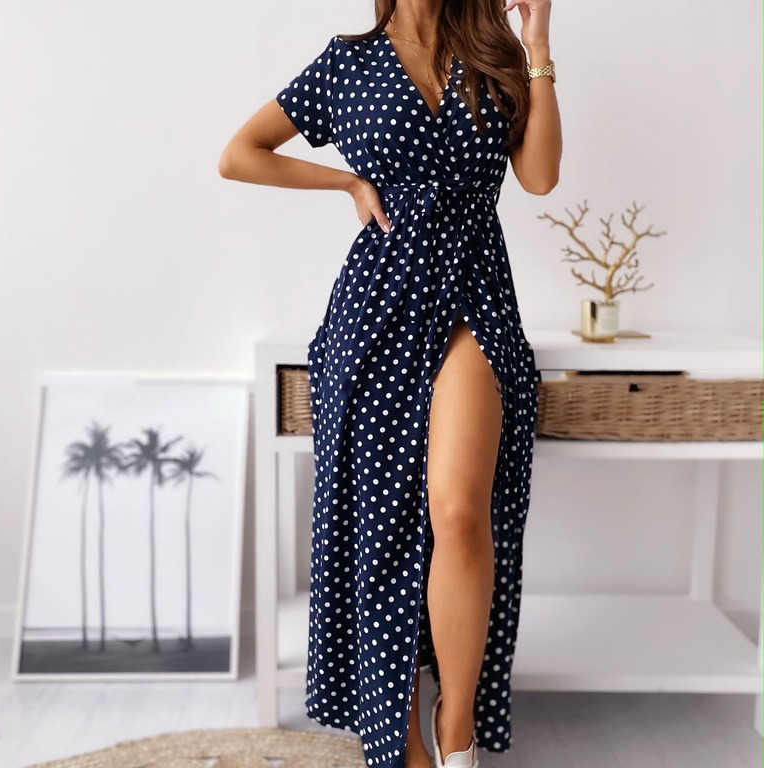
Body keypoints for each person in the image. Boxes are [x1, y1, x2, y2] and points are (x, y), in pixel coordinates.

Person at [219, 1, 561, 766]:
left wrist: (538, 42)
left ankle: (456, 725)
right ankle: (399, 742)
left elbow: (539, 177)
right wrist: (344, 182)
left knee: (460, 513)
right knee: (381, 532)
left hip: (475, 296)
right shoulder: (348, 62)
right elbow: (239, 153)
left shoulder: (495, 53)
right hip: (377, 303)